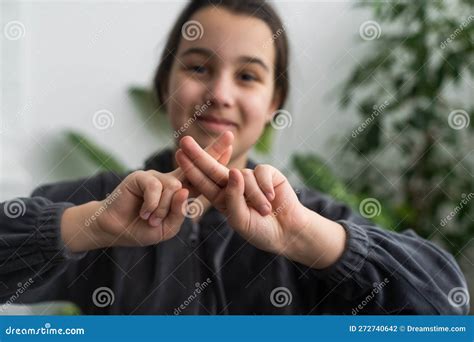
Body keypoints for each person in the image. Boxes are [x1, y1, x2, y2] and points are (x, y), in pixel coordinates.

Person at [0, 0, 469, 315]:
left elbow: (446, 303)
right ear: (165, 85)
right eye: (199, 68)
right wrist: (93, 225)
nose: (219, 94)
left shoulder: (312, 220)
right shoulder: (103, 201)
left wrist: (310, 238)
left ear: (273, 103)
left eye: (248, 76)